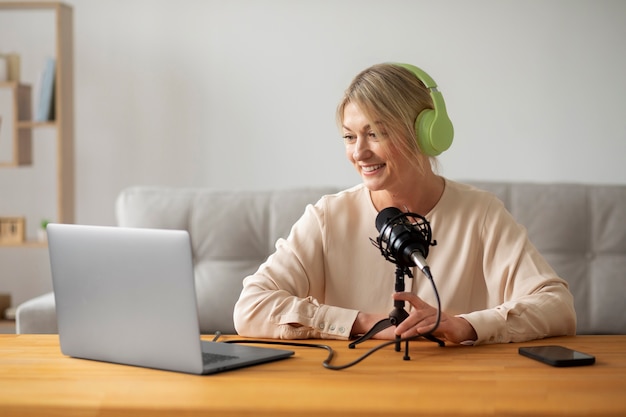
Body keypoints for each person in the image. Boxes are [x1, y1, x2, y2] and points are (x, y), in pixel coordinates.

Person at [233, 63, 576, 345]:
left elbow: (557, 306)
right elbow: (251, 306)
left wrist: (466, 326)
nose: (359, 152)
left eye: (376, 134)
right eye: (350, 136)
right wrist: (363, 322)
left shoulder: (481, 214)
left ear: (426, 133)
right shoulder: (327, 217)